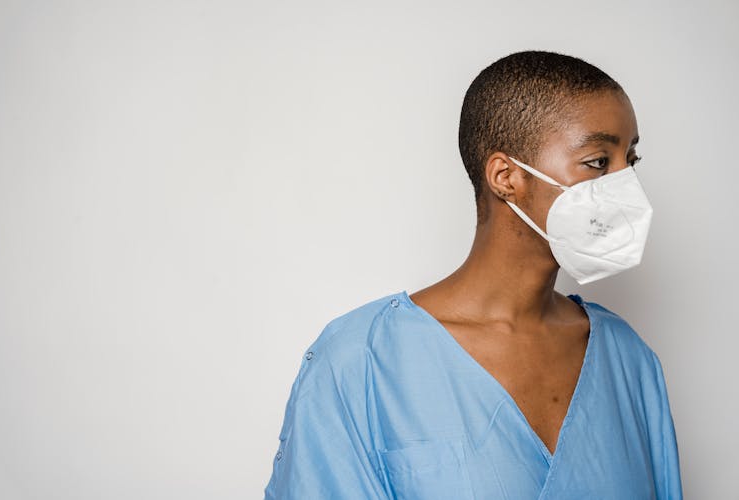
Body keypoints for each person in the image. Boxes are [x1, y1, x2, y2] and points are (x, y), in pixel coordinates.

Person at [263, 51, 683, 499]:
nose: (626, 187)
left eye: (630, 161)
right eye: (599, 162)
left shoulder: (628, 361)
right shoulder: (360, 362)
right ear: (506, 176)